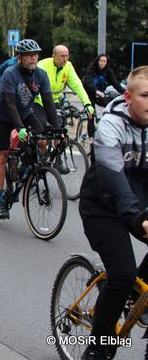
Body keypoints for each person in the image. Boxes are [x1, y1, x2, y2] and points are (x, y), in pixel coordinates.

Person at [78, 66, 148, 360]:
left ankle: (134, 296)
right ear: (128, 97)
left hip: (138, 200)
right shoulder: (110, 126)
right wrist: (138, 218)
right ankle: (98, 348)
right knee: (122, 272)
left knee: (130, 282)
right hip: (102, 205)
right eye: (146, 95)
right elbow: (114, 180)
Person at [0, 39, 60, 219]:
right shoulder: (10, 73)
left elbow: (49, 104)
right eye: (29, 55)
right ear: (20, 57)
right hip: (3, 117)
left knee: (43, 139)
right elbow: (10, 103)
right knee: (1, 155)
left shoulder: (41, 75)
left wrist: (58, 129)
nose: (33, 58)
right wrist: (20, 128)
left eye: (35, 55)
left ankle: (23, 168)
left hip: (26, 112)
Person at [34, 45, 95, 127]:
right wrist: (47, 107)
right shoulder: (42, 65)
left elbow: (77, 85)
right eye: (62, 56)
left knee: (59, 129)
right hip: (39, 101)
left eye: (67, 56)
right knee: (42, 127)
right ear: (54, 56)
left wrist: (87, 103)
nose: (65, 59)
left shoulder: (68, 66)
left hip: (55, 101)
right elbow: (38, 86)